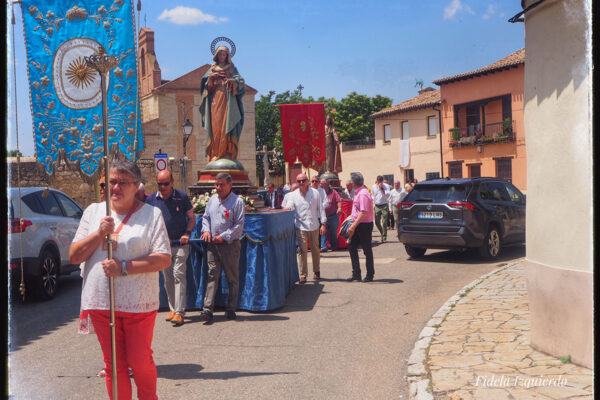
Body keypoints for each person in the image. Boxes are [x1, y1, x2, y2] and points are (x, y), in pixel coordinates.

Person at [69, 159, 171, 400]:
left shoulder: (151, 214)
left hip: (138, 302)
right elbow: (74, 256)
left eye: (122, 182)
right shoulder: (94, 212)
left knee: (139, 360)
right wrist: (99, 233)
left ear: (136, 186)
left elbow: (163, 258)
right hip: (102, 302)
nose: (115, 187)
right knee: (113, 365)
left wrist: (123, 267)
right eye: (111, 182)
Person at [146, 170, 195, 327]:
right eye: (159, 184)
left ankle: (180, 313)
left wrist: (187, 233)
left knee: (178, 274)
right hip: (163, 247)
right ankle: (173, 309)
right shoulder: (152, 200)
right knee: (168, 279)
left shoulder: (182, 197)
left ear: (172, 182)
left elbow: (192, 218)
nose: (162, 187)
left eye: (166, 183)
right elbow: (148, 223)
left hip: (180, 244)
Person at [199, 173, 245, 322]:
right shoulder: (212, 200)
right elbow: (205, 217)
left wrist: (224, 236)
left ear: (230, 185)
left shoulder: (237, 202)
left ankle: (231, 308)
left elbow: (238, 225)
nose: (218, 188)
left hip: (229, 246)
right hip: (213, 245)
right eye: (216, 184)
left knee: (232, 278)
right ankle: (207, 309)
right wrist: (206, 230)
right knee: (212, 275)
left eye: (222, 185)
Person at [200, 44, 245, 162]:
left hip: (228, 100)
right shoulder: (212, 68)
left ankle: (226, 153)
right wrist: (211, 78)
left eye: (224, 54)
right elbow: (205, 87)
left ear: (227, 56)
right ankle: (215, 152)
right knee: (216, 126)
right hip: (215, 99)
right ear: (217, 55)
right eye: (220, 54)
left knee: (227, 125)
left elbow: (241, 82)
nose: (222, 56)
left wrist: (231, 81)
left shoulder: (232, 68)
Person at [284, 173, 327, 283]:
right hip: (300, 226)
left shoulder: (316, 193)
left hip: (314, 226)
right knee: (302, 250)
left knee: (315, 250)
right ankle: (303, 274)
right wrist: (285, 209)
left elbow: (321, 209)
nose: (301, 183)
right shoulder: (293, 195)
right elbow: (289, 206)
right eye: (299, 181)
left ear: (307, 181)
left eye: (303, 180)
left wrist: (323, 224)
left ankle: (316, 271)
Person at [346, 172, 375, 282]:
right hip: (358, 224)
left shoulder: (362, 193)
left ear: (354, 183)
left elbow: (363, 212)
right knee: (352, 247)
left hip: (363, 225)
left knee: (367, 250)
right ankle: (356, 273)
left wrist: (353, 226)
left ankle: (370, 274)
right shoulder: (359, 192)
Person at [320, 178, 342, 252]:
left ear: (326, 184)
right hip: (323, 216)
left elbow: (339, 200)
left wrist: (339, 208)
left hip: (333, 216)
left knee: (333, 233)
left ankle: (334, 246)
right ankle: (323, 247)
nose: (320, 184)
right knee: (323, 232)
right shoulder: (320, 192)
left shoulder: (333, 192)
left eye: (322, 183)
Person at [371, 175, 391, 243]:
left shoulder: (386, 186)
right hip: (377, 206)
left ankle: (384, 237)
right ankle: (382, 233)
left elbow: (388, 195)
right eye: (378, 182)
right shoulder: (373, 186)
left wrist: (382, 189)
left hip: (384, 205)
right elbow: (373, 195)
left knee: (384, 222)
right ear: (376, 181)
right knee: (377, 222)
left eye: (381, 182)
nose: (379, 183)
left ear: (382, 181)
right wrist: (373, 201)